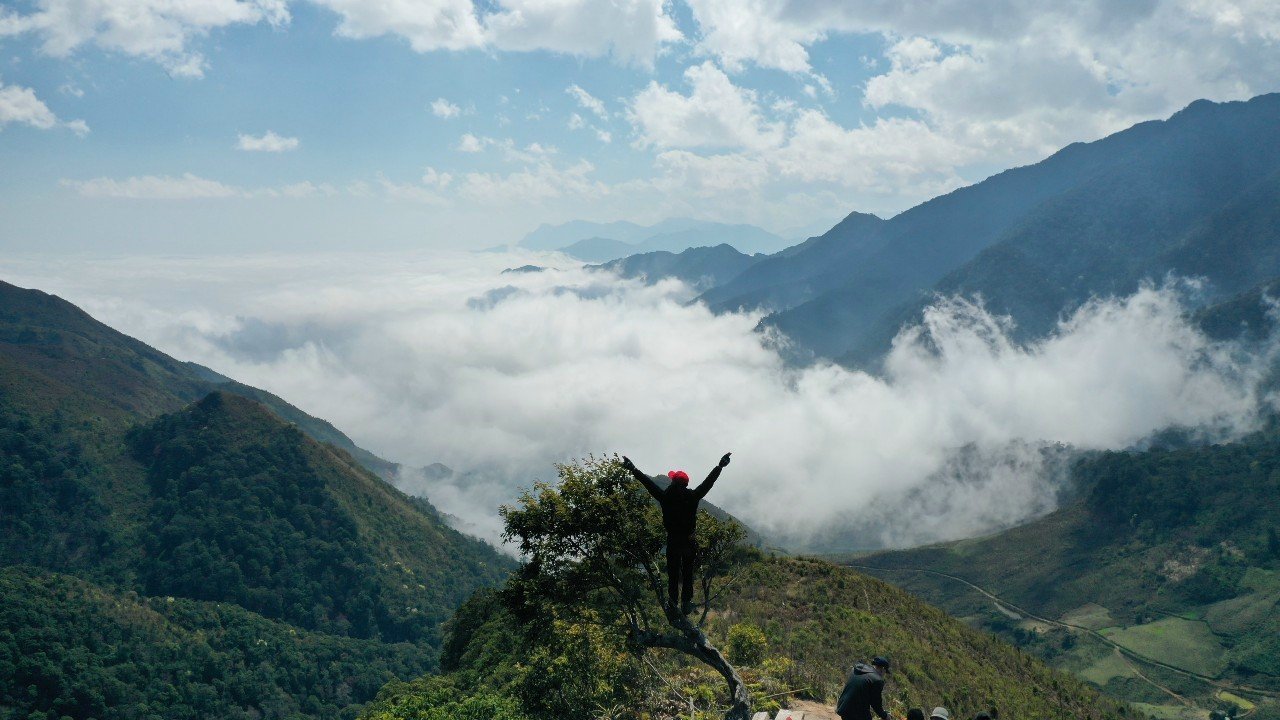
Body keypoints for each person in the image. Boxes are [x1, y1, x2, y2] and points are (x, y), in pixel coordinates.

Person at [621, 452, 730, 615]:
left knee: (673, 574)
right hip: (688, 541)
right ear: (685, 483)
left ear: (673, 482)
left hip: (673, 541)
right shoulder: (692, 496)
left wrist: (633, 469)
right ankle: (686, 603)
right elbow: (708, 483)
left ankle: (673, 603)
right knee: (687, 573)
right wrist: (720, 466)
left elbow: (648, 483)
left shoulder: (665, 497)